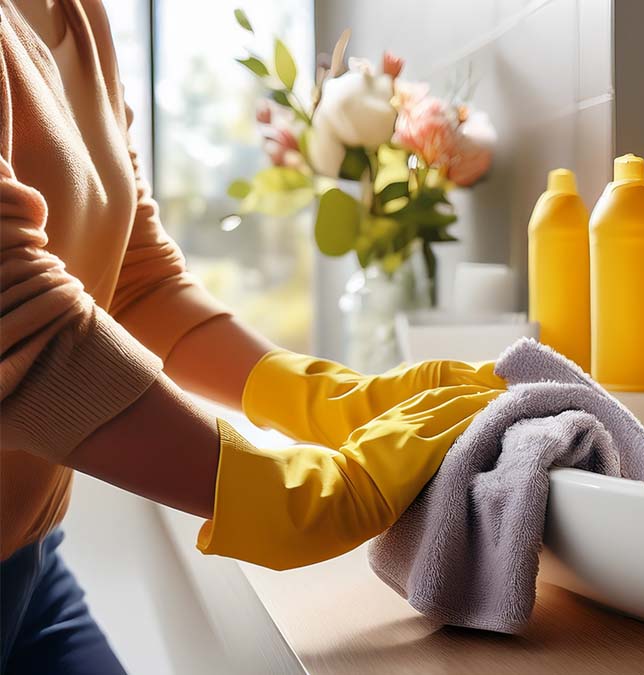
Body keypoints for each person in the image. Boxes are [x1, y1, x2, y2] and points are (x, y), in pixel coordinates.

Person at [1, 1, 505, 671]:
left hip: (29, 565)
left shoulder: (79, 15)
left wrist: (326, 397)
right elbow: (20, 321)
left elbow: (136, 279)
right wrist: (281, 494)